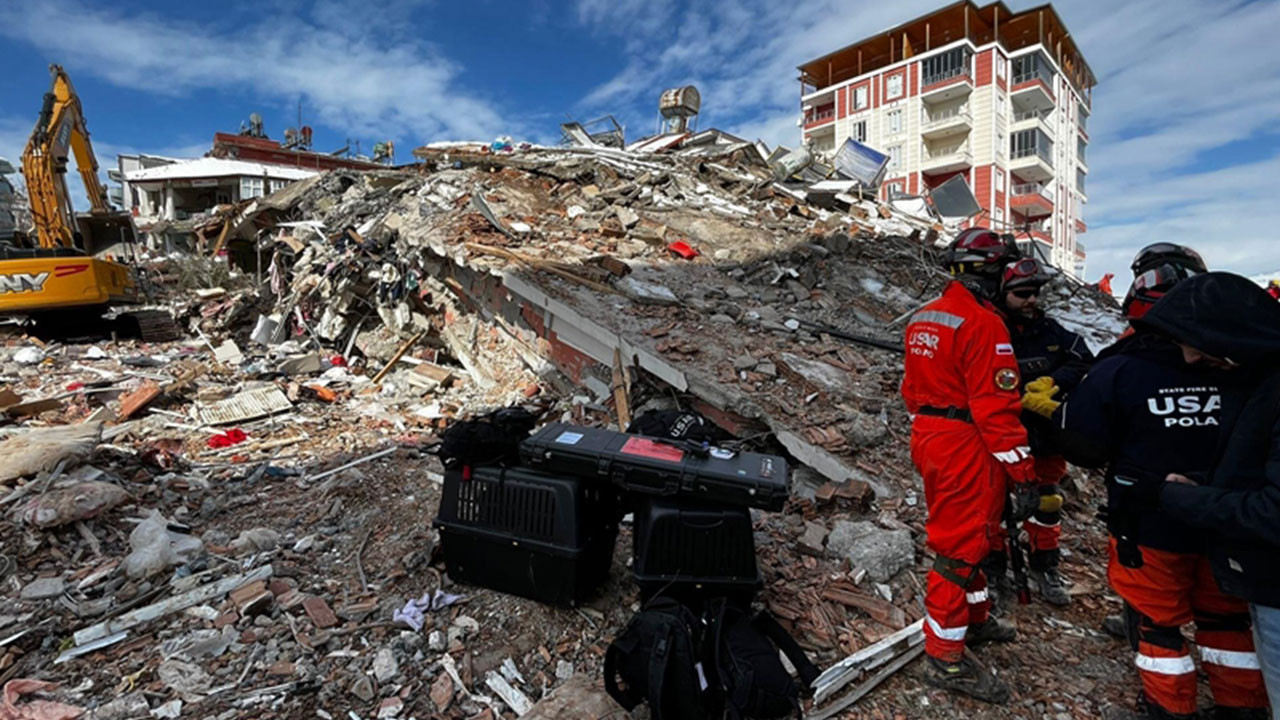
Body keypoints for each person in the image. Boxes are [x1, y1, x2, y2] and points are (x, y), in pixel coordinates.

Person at [1022, 276, 1267, 719]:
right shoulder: (1251, 371)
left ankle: (1170, 708)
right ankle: (1243, 708)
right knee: (1226, 621)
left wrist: (1058, 416)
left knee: (1158, 623)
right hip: (1231, 521)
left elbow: (1086, 446)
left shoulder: (1122, 368)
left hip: (1149, 521)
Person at [1123, 272, 1280, 717]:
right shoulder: (1257, 381)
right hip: (1259, 578)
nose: (1189, 359)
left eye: (1195, 345)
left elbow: (1273, 511)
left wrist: (1177, 498)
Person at [900, 227, 1039, 704]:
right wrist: (1024, 474)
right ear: (992, 274)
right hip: (966, 444)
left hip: (932, 436)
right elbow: (996, 410)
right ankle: (944, 658)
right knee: (959, 549)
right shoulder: (983, 324)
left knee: (974, 535)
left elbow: (911, 391)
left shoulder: (925, 316)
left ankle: (974, 620)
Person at [985, 258, 1094, 608]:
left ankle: (1045, 566)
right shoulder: (990, 328)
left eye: (1034, 292)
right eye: (1022, 293)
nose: (1031, 299)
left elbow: (1083, 358)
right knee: (996, 503)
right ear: (1003, 293)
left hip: (1045, 435)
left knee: (1047, 503)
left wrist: (1053, 383)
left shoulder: (1051, 331)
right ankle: (994, 569)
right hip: (1003, 433)